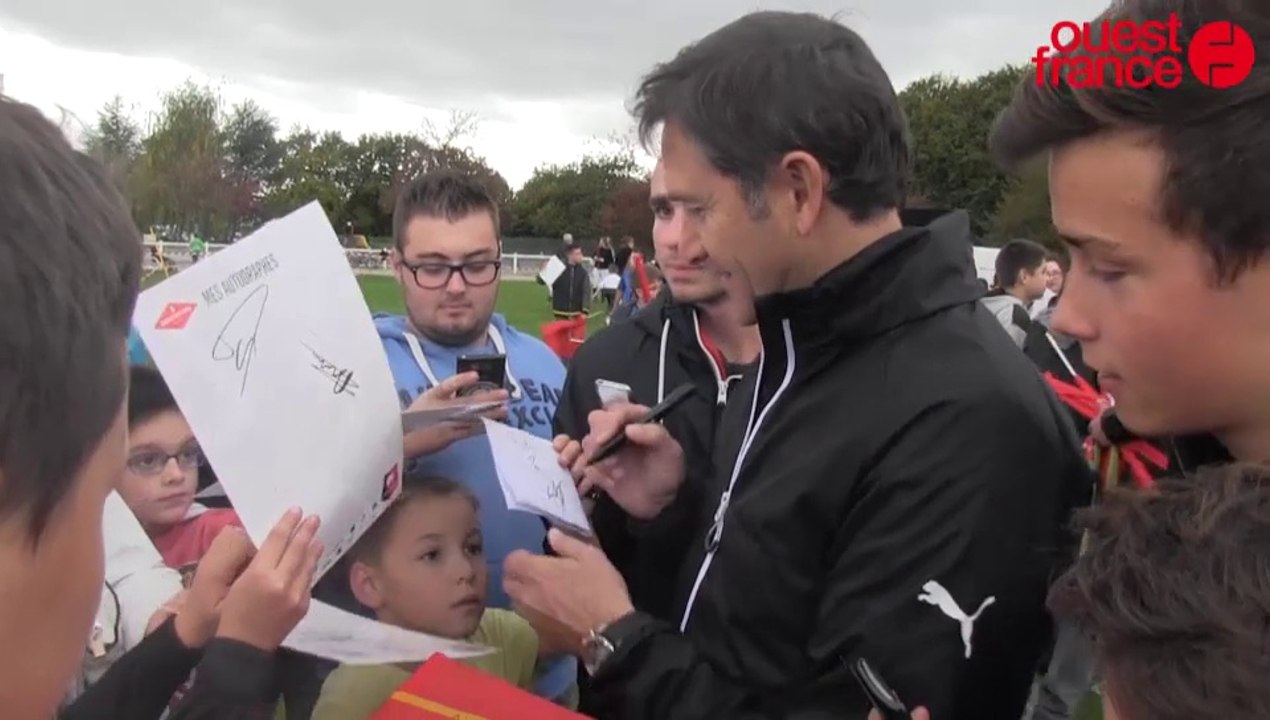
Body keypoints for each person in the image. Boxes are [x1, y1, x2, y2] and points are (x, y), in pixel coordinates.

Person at [503, 12, 1090, 719]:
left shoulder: (969, 419)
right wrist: (679, 504)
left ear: (799, 192)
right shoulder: (797, 346)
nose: (683, 244)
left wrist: (612, 640)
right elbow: (764, 617)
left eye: (701, 208)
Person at [554, 161, 762, 713]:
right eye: (664, 210)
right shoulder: (606, 358)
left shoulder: (823, 371)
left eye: (702, 208)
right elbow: (570, 564)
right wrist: (576, 510)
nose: (673, 238)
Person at [375, 169, 576, 704]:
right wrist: (400, 440)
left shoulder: (542, 361)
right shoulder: (357, 367)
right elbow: (304, 510)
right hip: (410, 685)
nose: (457, 285)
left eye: (476, 264)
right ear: (397, 266)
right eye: (432, 267)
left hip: (545, 673)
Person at [312, 476, 560, 718]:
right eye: (431, 555)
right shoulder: (352, 700)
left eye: (473, 548)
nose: (465, 571)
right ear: (370, 585)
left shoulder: (499, 635)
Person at [119, 365, 241, 572]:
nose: (176, 475)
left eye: (187, 454)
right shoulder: (86, 554)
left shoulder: (225, 533)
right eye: (148, 460)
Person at [981, 239, 1050, 349]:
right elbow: (1007, 358)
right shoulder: (1015, 317)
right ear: (1024, 277)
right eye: (1044, 272)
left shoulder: (985, 305)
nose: (1048, 278)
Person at [551, 243, 592, 317]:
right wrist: (544, 270)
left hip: (576, 313)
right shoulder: (558, 268)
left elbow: (586, 292)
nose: (581, 256)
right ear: (570, 255)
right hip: (560, 312)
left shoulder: (583, 273)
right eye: (578, 254)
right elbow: (541, 280)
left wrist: (585, 311)